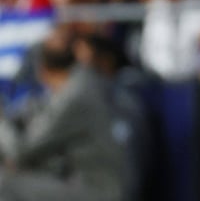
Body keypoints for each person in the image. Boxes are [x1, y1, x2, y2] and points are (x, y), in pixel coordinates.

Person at [0, 28, 124, 201]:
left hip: (102, 191)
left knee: (6, 185)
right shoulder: (86, 80)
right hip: (97, 181)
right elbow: (34, 112)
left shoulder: (75, 94)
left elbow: (22, 152)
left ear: (42, 71)